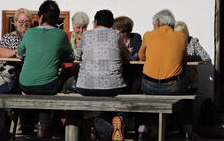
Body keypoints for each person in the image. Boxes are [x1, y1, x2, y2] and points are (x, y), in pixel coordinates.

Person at [18, 0, 73, 138]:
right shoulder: (61, 35)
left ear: (40, 16)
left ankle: (28, 128)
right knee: (61, 81)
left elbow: (20, 54)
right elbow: (70, 56)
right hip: (48, 86)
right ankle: (46, 125)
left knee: (37, 87)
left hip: (25, 84)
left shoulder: (29, 33)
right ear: (56, 18)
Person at [75, 9, 130, 141]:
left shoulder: (86, 35)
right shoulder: (116, 35)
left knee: (95, 106)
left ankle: (108, 131)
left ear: (95, 22)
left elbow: (77, 56)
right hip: (113, 86)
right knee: (125, 93)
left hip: (86, 86)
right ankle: (120, 119)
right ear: (111, 24)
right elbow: (126, 57)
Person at [138, 9, 189, 140]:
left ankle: (143, 130)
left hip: (149, 85)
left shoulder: (148, 35)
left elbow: (141, 56)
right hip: (172, 87)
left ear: (158, 22)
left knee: (138, 89)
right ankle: (180, 130)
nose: (153, 27)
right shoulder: (182, 37)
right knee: (187, 87)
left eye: (153, 24)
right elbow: (183, 60)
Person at [174, 21, 211, 93]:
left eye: (180, 34)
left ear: (185, 33)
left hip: (190, 82)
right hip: (173, 83)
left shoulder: (192, 42)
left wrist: (191, 58)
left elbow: (206, 57)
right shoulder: (171, 44)